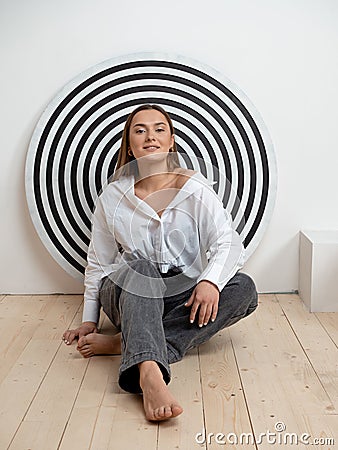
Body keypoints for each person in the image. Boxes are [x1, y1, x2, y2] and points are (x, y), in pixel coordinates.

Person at [62, 104, 258, 422]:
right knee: (141, 269)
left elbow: (228, 243)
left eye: (159, 129)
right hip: (130, 290)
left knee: (244, 288)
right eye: (140, 130)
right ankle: (151, 375)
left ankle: (127, 344)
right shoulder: (112, 198)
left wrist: (209, 282)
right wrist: (89, 319)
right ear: (129, 144)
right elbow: (98, 262)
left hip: (182, 294)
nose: (150, 136)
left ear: (171, 141)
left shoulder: (196, 190)